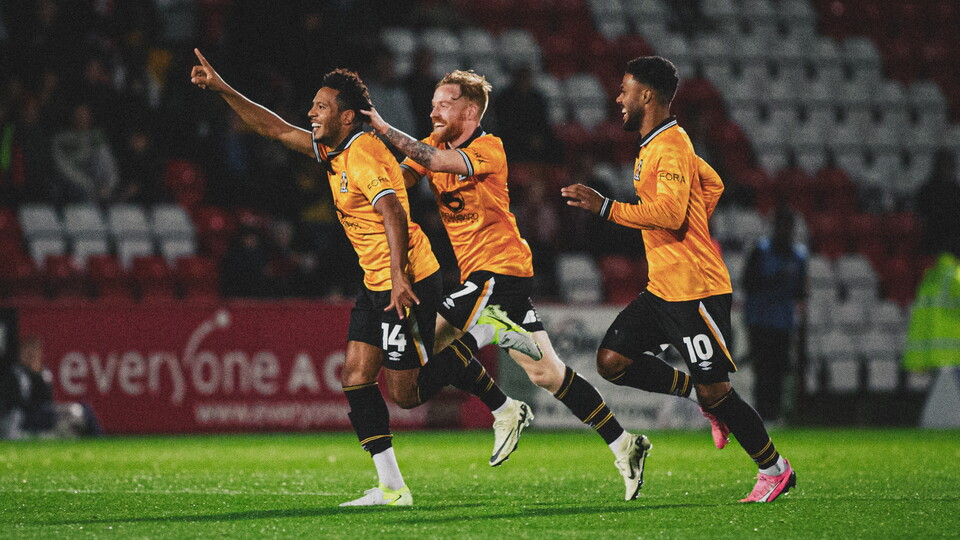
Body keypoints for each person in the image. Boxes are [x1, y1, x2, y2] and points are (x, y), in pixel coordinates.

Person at [190, 50, 537, 507]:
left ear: (347, 115)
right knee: (355, 377)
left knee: (406, 393)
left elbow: (393, 210)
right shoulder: (332, 148)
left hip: (408, 276)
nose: (311, 112)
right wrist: (221, 88)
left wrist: (397, 277)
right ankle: (392, 487)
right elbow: (273, 128)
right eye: (313, 105)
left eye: (322, 106)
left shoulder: (364, 153)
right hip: (376, 280)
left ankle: (500, 390)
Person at [364, 70, 652, 501]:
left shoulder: (488, 147)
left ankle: (501, 394)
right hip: (486, 278)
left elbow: (436, 162)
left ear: (469, 110)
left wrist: (385, 129)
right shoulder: (433, 142)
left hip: (499, 269)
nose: (433, 110)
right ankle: (625, 443)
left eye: (444, 103)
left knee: (433, 339)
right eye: (433, 103)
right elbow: (401, 182)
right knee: (549, 374)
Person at [561, 56, 796, 503]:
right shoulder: (661, 143)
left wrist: (607, 207)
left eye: (625, 89)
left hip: (697, 289)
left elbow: (669, 212)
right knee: (612, 361)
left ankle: (775, 469)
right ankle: (696, 394)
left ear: (647, 95)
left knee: (720, 391)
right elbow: (715, 184)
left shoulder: (669, 146)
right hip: (663, 287)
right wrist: (696, 223)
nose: (618, 98)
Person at [742, 206, 808, 423]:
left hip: (783, 321)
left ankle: (775, 414)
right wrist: (778, 278)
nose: (785, 231)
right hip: (759, 319)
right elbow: (748, 283)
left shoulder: (799, 255)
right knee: (763, 369)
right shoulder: (760, 251)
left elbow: (801, 291)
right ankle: (761, 414)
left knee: (779, 369)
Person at [0, 336, 101, 439]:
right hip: (25, 416)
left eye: (35, 349)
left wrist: (37, 373)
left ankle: (98, 441)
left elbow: (48, 399)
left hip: (45, 412)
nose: (32, 353)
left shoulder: (44, 372)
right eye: (27, 349)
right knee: (73, 414)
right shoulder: (14, 374)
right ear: (20, 352)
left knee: (85, 409)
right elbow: (17, 403)